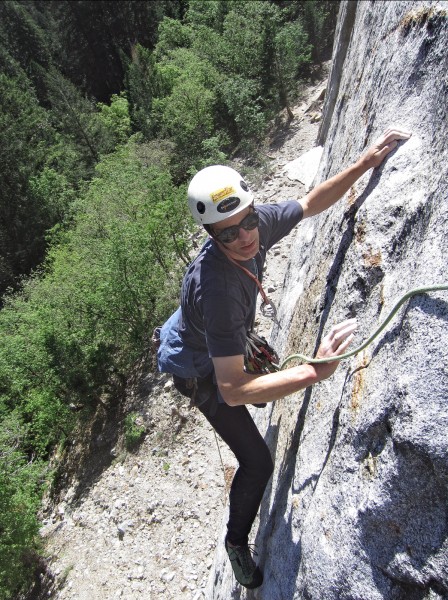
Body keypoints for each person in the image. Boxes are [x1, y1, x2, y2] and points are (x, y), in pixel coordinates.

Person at [157, 128, 411, 589]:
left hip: (218, 336)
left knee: (263, 384)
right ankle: (236, 542)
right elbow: (231, 389)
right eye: (228, 233)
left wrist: (365, 162)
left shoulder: (251, 225)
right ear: (212, 236)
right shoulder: (218, 288)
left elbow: (311, 202)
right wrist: (314, 371)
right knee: (257, 461)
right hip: (198, 370)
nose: (245, 237)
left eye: (248, 221)